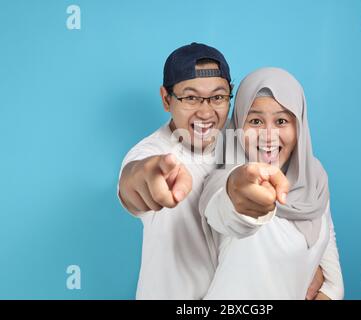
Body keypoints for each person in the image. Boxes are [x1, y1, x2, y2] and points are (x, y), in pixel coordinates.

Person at [117, 43, 327, 299]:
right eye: (191, 97)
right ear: (166, 99)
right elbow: (134, 181)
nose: (206, 112)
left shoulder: (244, 137)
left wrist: (306, 263)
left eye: (217, 97)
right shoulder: (153, 153)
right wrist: (144, 179)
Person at [199, 67, 344, 299]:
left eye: (281, 121)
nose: (269, 135)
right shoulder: (223, 180)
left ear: (300, 126)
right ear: (237, 126)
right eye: (255, 121)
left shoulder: (313, 178)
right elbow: (225, 211)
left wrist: (327, 288)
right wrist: (239, 191)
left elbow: (333, 282)